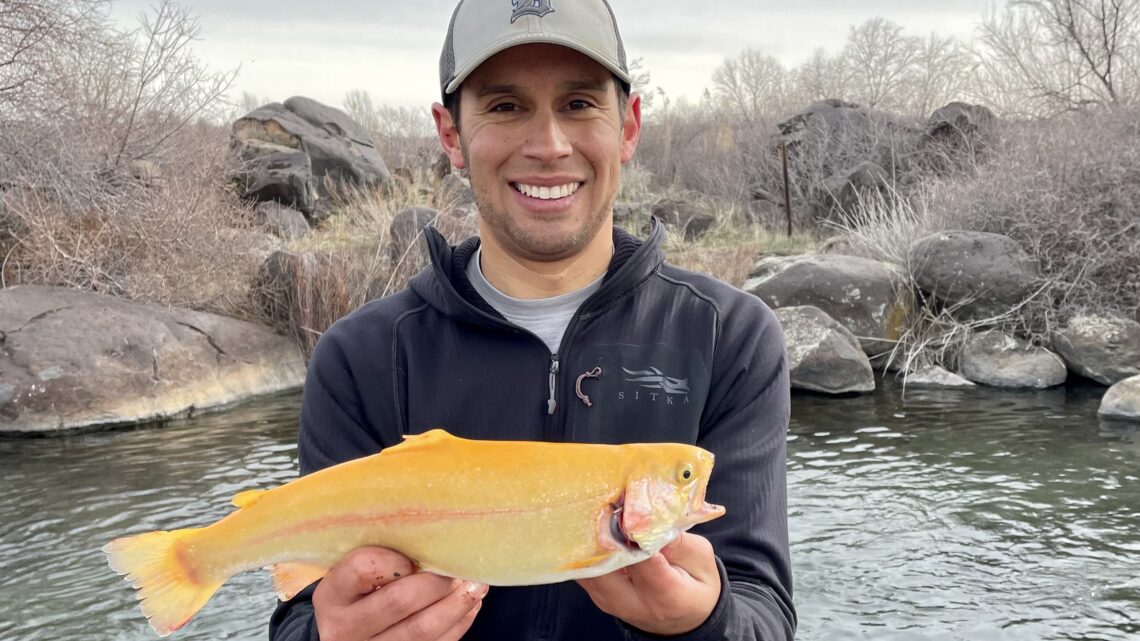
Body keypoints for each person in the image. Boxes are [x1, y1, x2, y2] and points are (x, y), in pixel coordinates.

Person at [269, 0, 795, 639]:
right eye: (505, 106)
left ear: (628, 126)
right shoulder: (360, 356)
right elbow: (300, 609)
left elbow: (764, 613)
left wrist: (706, 624)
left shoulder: (731, 337)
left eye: (578, 104)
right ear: (450, 135)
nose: (548, 146)